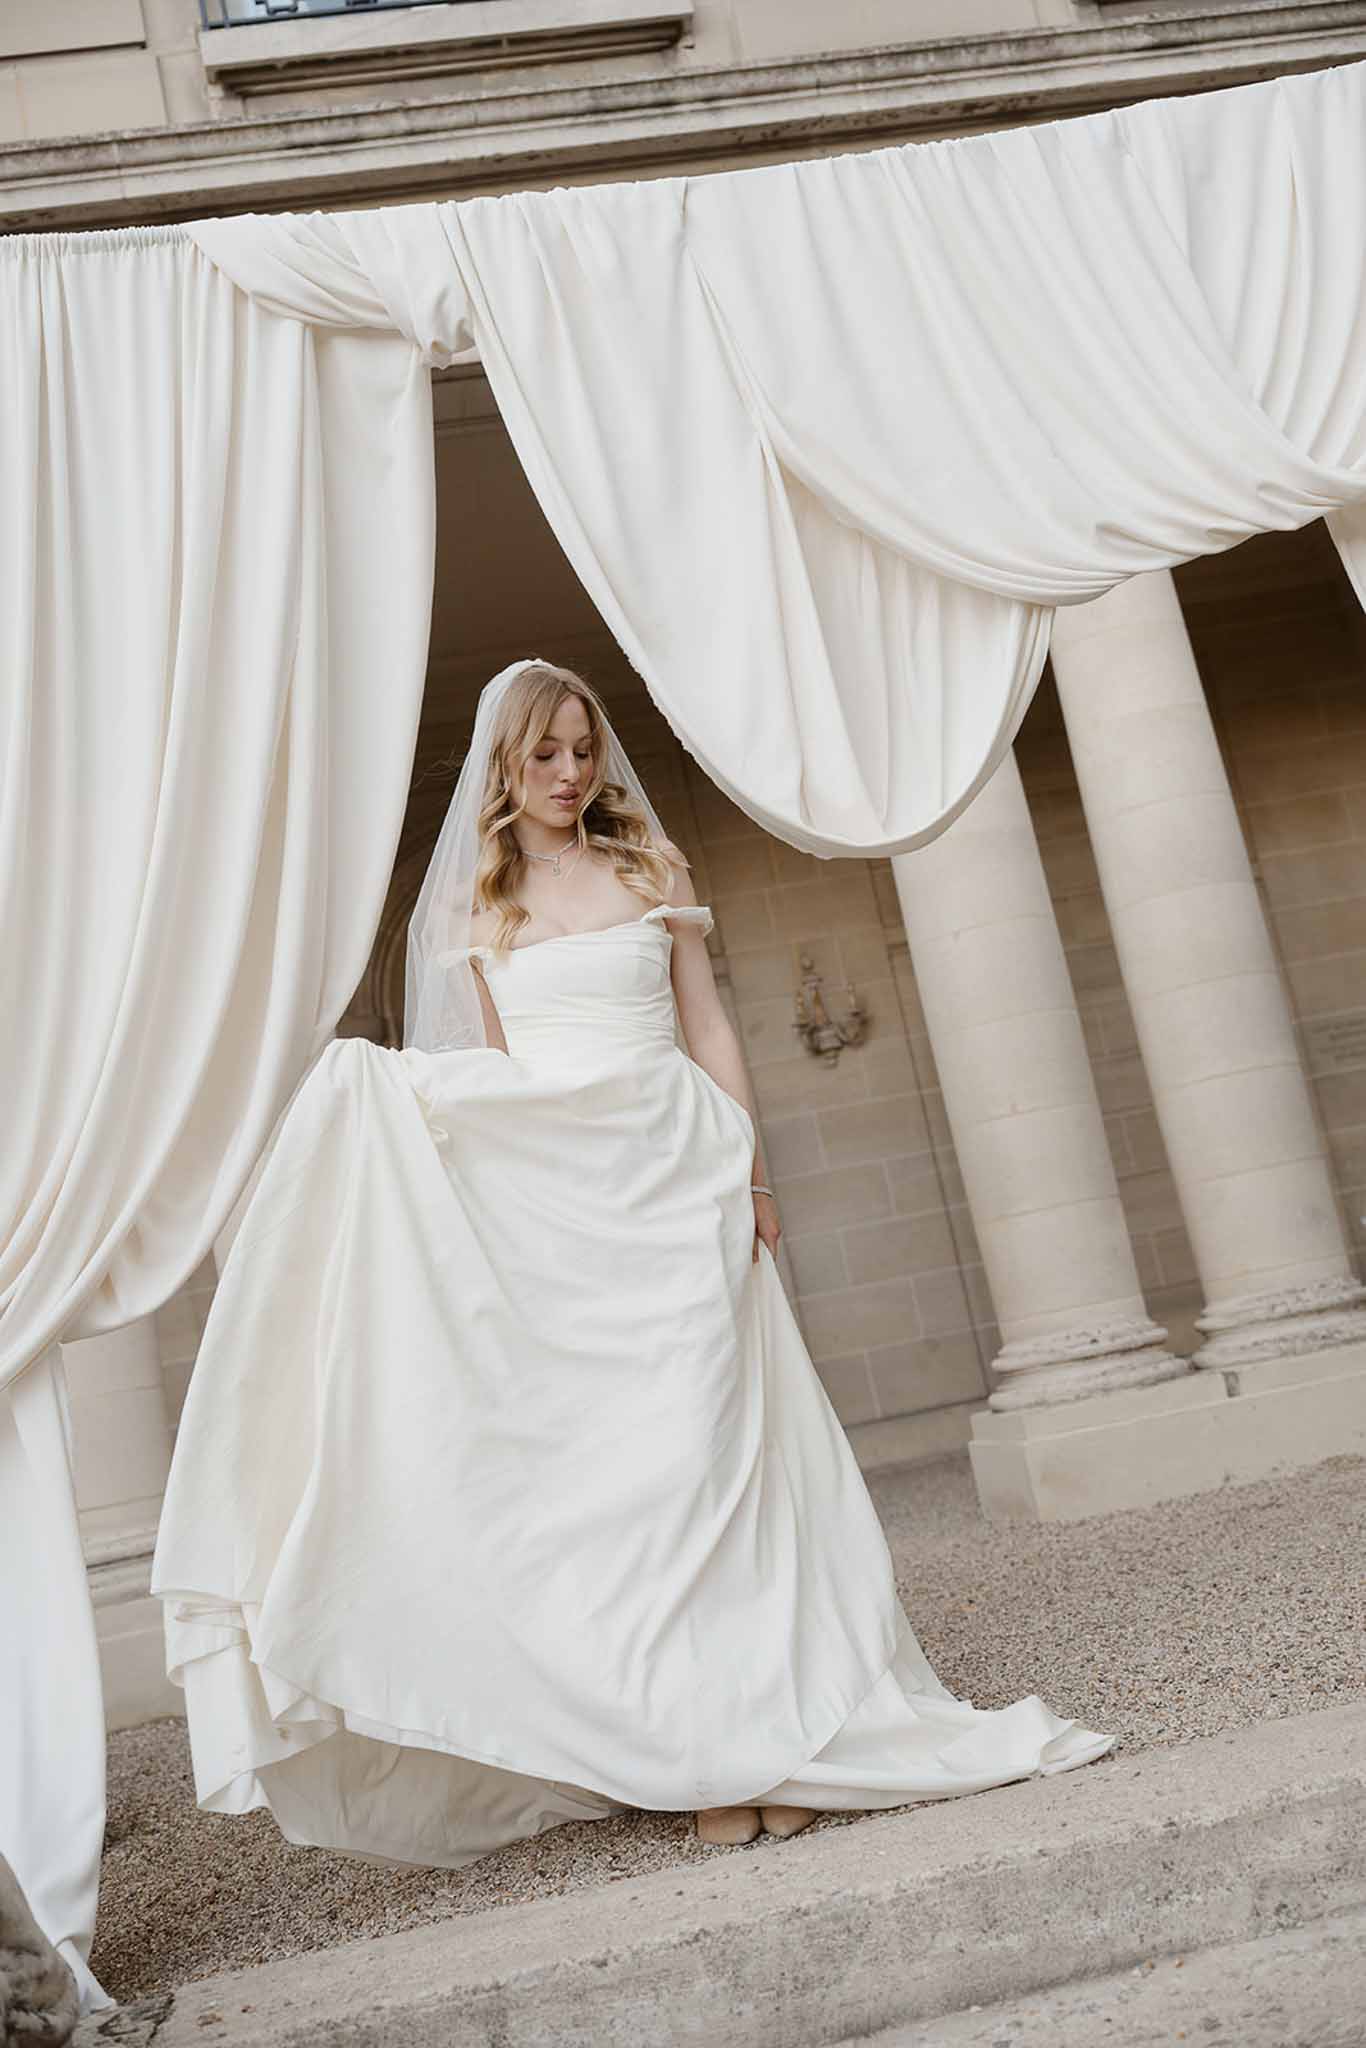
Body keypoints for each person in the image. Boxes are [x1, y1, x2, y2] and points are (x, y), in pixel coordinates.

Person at [151, 657, 1113, 1866]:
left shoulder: (652, 869)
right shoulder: (474, 908)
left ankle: (775, 1726)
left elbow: (706, 1025)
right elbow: (489, 1084)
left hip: (683, 1183)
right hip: (570, 1214)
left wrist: (754, 1178)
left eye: (582, 748)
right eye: (544, 753)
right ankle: (702, 1746)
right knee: (634, 1487)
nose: (568, 773)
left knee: (721, 1468)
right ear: (504, 762)